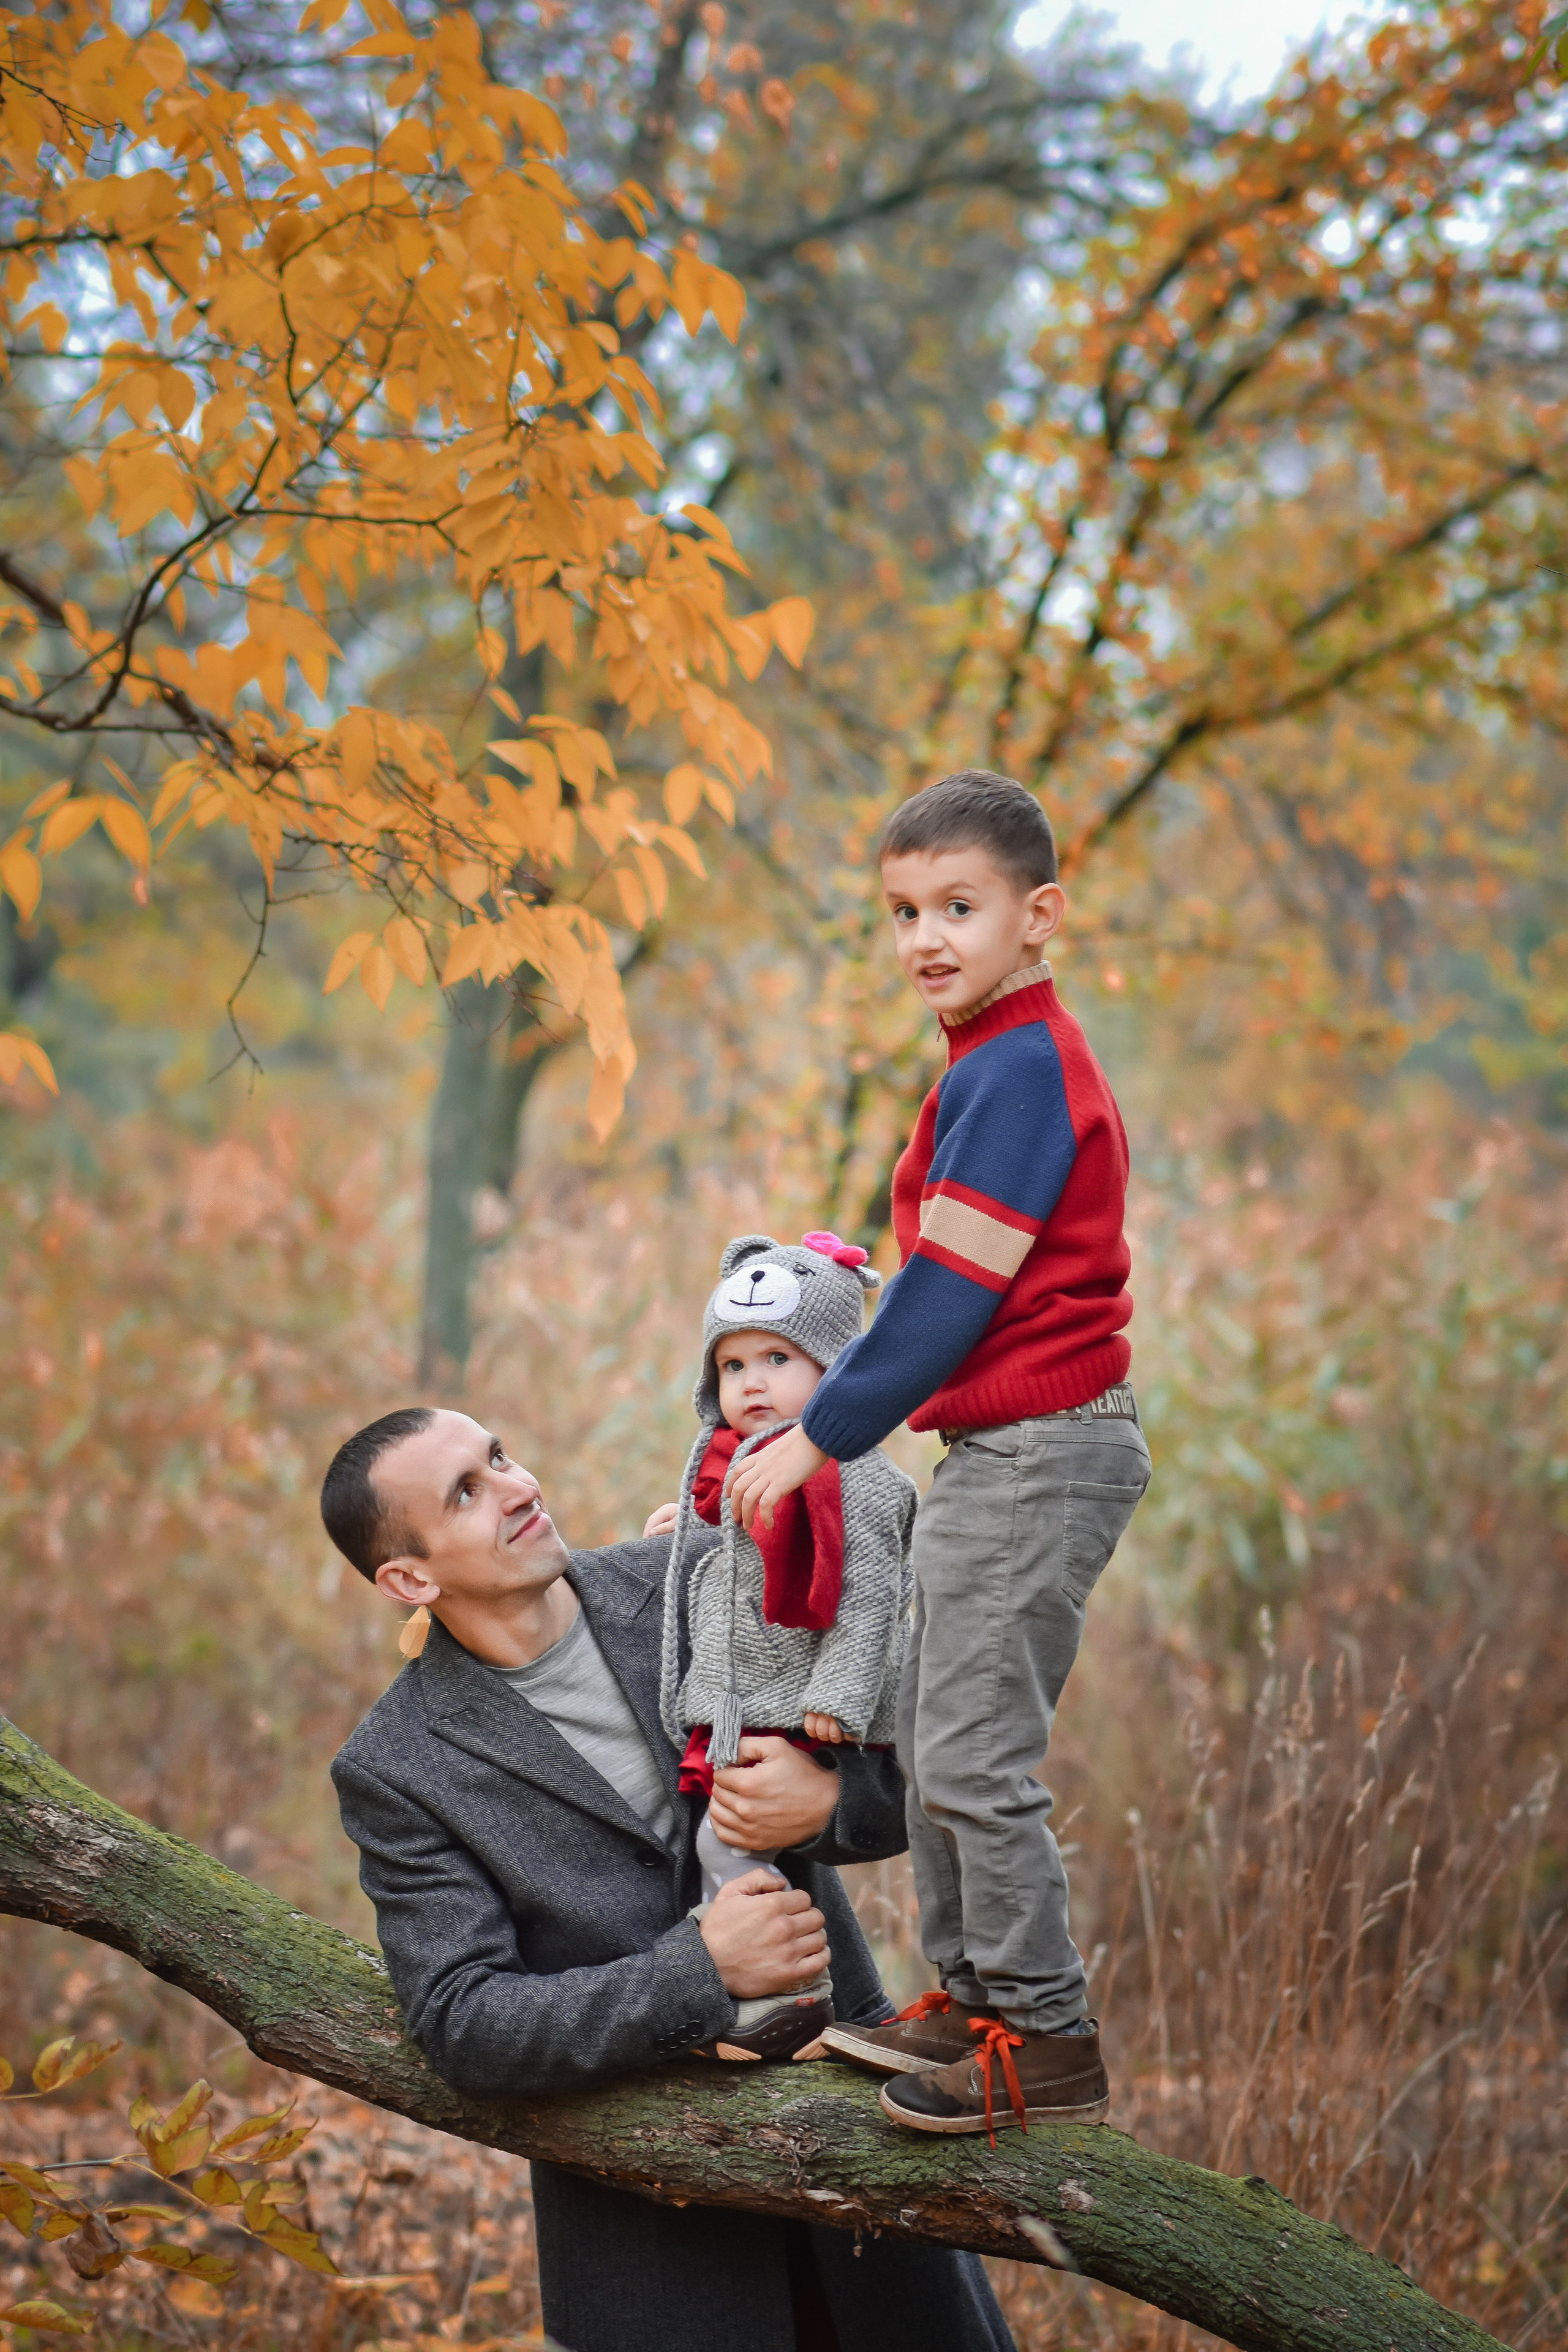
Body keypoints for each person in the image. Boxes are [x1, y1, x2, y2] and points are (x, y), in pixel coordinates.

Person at [322, 1406, 1013, 2352]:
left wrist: (828, 1803)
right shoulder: (399, 1765)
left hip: (867, 2157)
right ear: (409, 1576)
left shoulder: (693, 1578)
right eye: (467, 1495)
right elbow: (464, 2022)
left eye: (500, 1455)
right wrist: (699, 1970)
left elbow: (939, 1771)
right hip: (655, 2238)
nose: (518, 1487)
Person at [727, 769, 1152, 2142]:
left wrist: (817, 1436)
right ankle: (968, 1998)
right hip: (1002, 1448)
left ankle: (1041, 2031)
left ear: (1037, 918)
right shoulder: (985, 1064)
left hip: (1044, 1450)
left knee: (974, 1753)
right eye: (903, 911)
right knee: (937, 1732)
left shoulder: (1023, 1071)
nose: (925, 938)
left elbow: (948, 1294)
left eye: (957, 907)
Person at [655, 1230, 916, 2057]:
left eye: (776, 1358)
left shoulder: (857, 1476)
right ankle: (762, 1985)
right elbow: (737, 1564)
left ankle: (782, 1995)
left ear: (838, 1370)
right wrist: (675, 1538)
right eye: (732, 1367)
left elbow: (875, 1594)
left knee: (725, 1839)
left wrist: (838, 1698)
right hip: (748, 1699)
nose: (751, 1383)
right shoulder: (736, 1463)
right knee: (719, 1838)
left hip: (800, 1706)